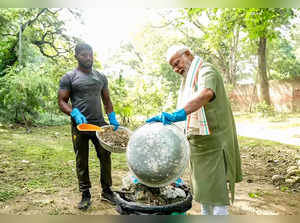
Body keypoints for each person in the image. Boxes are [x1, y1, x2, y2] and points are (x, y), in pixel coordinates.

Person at [146, 45, 242, 215]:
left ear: (188, 54)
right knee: (204, 194)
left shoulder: (206, 70)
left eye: (177, 63)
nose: (176, 69)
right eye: (173, 66)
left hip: (215, 144)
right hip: (198, 145)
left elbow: (205, 93)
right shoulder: (187, 80)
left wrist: (178, 114)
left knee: (217, 197)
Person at [58, 43, 120, 210]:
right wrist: (74, 113)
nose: (88, 58)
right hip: (80, 126)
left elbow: (107, 100)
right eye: (84, 55)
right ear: (77, 56)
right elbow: (62, 102)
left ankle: (107, 191)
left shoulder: (100, 77)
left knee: (105, 156)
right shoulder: (69, 77)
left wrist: (112, 117)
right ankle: (85, 194)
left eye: (90, 54)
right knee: (82, 159)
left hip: (100, 125)